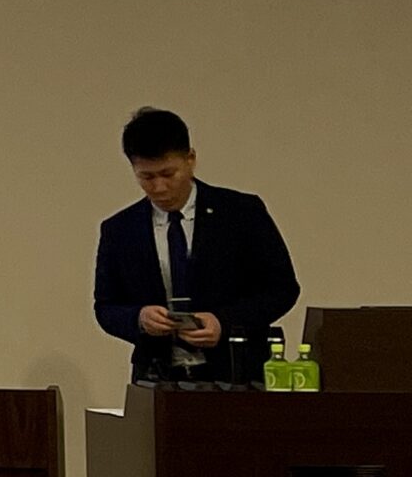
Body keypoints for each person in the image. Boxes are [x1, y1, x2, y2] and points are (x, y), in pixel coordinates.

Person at [93, 108, 299, 385]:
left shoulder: (241, 212)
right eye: (147, 177)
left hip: (236, 373)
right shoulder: (120, 229)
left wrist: (223, 322)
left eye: (168, 174)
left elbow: (282, 289)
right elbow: (106, 307)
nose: (159, 187)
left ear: (190, 159)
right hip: (157, 376)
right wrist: (139, 318)